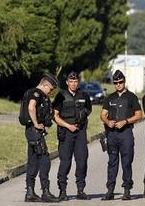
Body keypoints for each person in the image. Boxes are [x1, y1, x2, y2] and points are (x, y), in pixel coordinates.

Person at [100, 70, 142, 201]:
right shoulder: (110, 97)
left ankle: (127, 190)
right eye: (116, 82)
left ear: (124, 81)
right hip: (112, 134)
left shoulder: (132, 97)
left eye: (121, 82)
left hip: (126, 133)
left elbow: (139, 115)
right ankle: (110, 190)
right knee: (112, 162)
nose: (118, 84)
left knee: (126, 162)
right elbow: (102, 114)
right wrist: (108, 121)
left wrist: (126, 121)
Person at [52, 71, 92, 201]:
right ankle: (62, 190)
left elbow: (88, 110)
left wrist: (83, 115)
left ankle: (80, 190)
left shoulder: (84, 95)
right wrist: (68, 126)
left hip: (80, 132)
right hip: (66, 132)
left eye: (76, 81)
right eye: (71, 81)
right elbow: (55, 116)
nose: (74, 84)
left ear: (78, 82)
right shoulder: (61, 96)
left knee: (82, 161)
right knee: (66, 162)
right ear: (67, 82)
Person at [22, 73, 60, 203]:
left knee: (33, 161)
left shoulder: (33, 92)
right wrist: (37, 124)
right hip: (34, 131)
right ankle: (45, 192)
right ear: (45, 85)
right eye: (51, 89)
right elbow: (31, 107)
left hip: (31, 131)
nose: (51, 91)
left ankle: (30, 192)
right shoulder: (36, 93)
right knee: (44, 159)